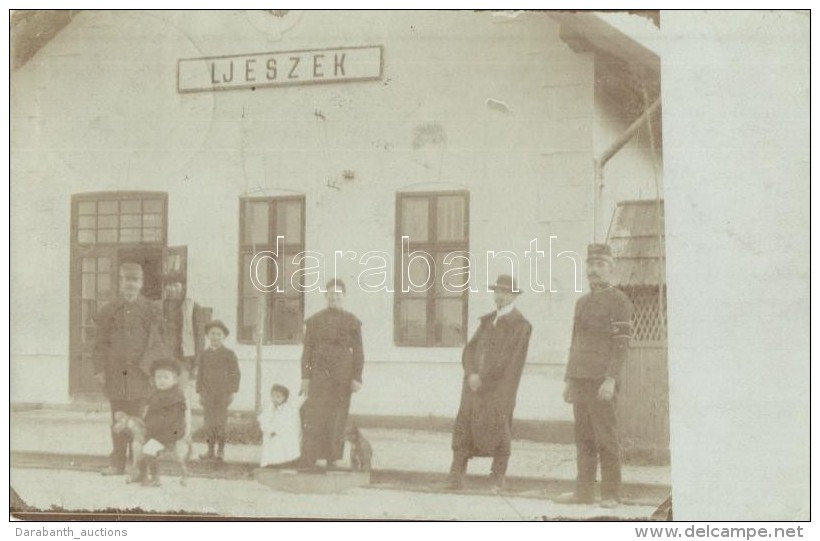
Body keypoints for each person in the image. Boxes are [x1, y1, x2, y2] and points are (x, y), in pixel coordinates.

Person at [555, 243, 634, 508]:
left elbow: (621, 344)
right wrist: (569, 378)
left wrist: (611, 379)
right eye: (590, 264)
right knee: (583, 437)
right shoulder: (582, 302)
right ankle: (584, 492)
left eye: (600, 265)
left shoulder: (619, 301)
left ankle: (611, 494)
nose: (594, 270)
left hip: (602, 382)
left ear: (611, 269)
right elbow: (575, 341)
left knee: (606, 437)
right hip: (580, 380)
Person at [446, 274, 532, 491]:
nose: (499, 296)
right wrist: (471, 373)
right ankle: (457, 474)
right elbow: (470, 350)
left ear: (514, 296)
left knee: (499, 429)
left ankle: (497, 476)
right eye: (497, 291)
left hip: (499, 389)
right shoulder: (486, 322)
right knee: (464, 425)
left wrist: (483, 380)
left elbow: (509, 362)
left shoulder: (520, 326)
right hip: (473, 387)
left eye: (505, 292)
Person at [93, 262, 165, 476]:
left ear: (141, 283)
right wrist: (99, 370)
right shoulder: (109, 309)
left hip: (141, 376)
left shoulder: (151, 309)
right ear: (120, 282)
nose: (131, 284)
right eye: (127, 280)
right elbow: (100, 343)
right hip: (115, 375)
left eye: (135, 280)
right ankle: (117, 464)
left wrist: (152, 371)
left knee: (139, 422)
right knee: (118, 421)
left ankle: (138, 465)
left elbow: (157, 343)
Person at [299, 278, 364, 471]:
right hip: (319, 373)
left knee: (338, 416)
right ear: (325, 296)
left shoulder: (352, 321)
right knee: (314, 414)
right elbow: (307, 351)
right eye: (331, 294)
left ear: (343, 296)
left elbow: (359, 352)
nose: (334, 297)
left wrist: (357, 377)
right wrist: (305, 377)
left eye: (338, 294)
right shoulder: (314, 321)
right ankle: (310, 456)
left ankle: (333, 457)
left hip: (342, 375)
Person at [195, 319, 241, 462]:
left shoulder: (229, 354)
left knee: (220, 423)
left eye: (218, 334)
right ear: (208, 335)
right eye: (212, 333)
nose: (215, 336)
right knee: (208, 423)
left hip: (223, 394)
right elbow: (200, 374)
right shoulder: (204, 354)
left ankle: (220, 450)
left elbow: (235, 373)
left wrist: (231, 391)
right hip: (207, 394)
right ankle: (209, 450)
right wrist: (200, 392)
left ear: (223, 336)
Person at [138, 358, 188, 487]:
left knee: (149, 449)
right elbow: (149, 414)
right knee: (138, 445)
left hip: (170, 431)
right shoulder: (155, 394)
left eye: (166, 377)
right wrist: (144, 426)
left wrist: (151, 430)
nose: (161, 381)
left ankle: (155, 478)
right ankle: (141, 474)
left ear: (175, 380)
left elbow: (169, 419)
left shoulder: (176, 397)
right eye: (158, 377)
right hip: (156, 430)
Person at [258, 384, 305, 468]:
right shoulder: (269, 408)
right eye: (273, 396)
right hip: (273, 433)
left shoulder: (290, 407)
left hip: (285, 434)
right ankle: (272, 463)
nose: (275, 399)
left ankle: (287, 462)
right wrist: (270, 430)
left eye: (278, 397)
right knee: (273, 447)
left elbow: (302, 399)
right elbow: (263, 420)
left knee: (287, 447)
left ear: (284, 398)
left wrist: (305, 391)